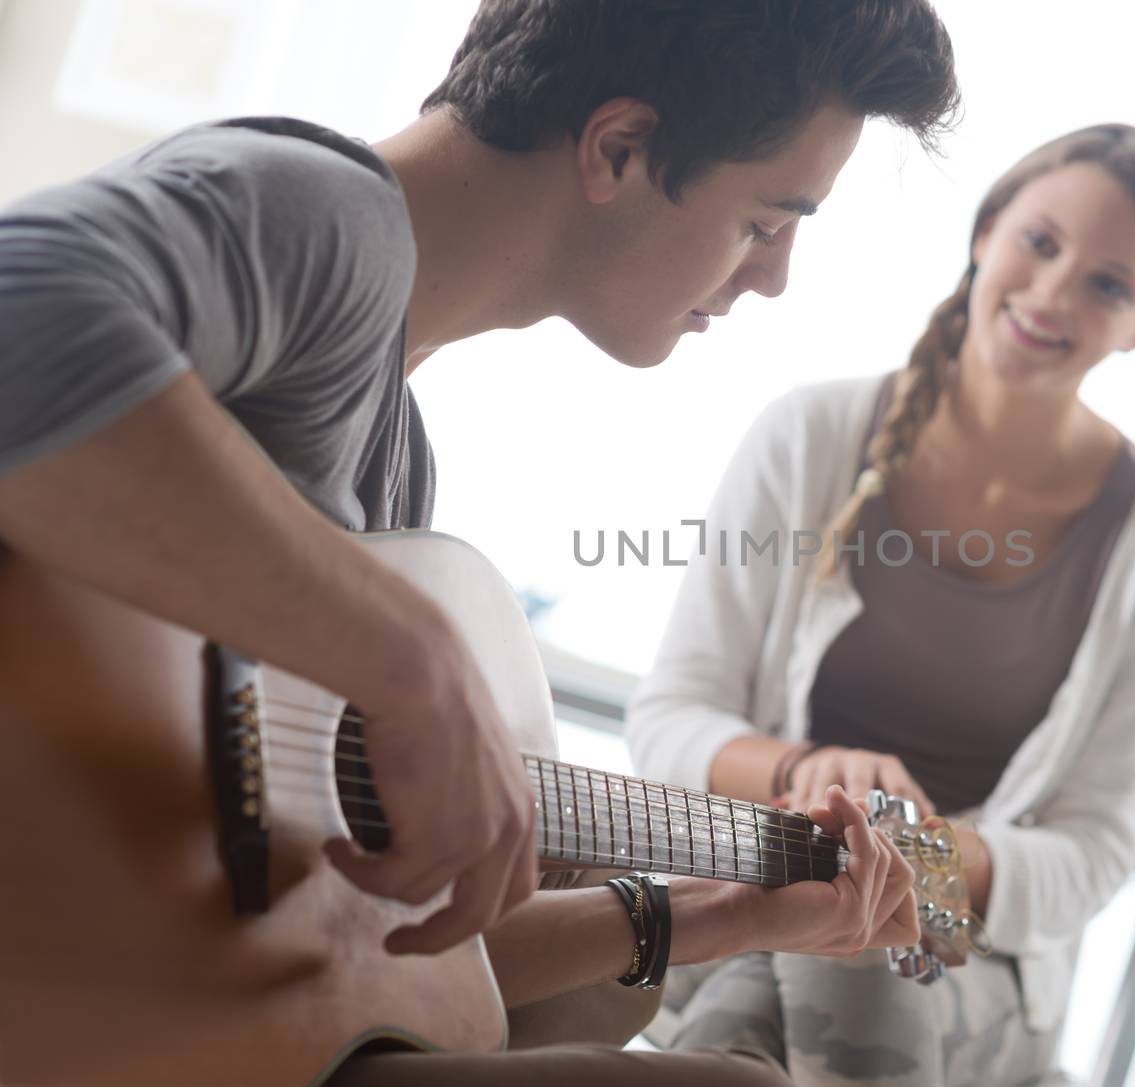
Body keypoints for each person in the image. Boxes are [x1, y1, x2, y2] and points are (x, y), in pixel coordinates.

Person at [0, 1, 960, 1083]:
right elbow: (18, 311)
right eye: (765, 220)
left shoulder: (394, 473)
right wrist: (410, 663)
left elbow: (374, 962)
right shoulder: (324, 211)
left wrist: (727, 911)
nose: (773, 276)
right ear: (620, 148)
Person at [626, 124, 1135, 1086]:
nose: (1055, 291)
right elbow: (671, 720)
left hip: (977, 958)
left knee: (839, 957)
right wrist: (813, 774)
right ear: (986, 233)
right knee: (796, 965)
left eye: (1109, 284)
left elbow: (1093, 854)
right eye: (1041, 242)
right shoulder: (808, 435)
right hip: (764, 891)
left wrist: (904, 860)